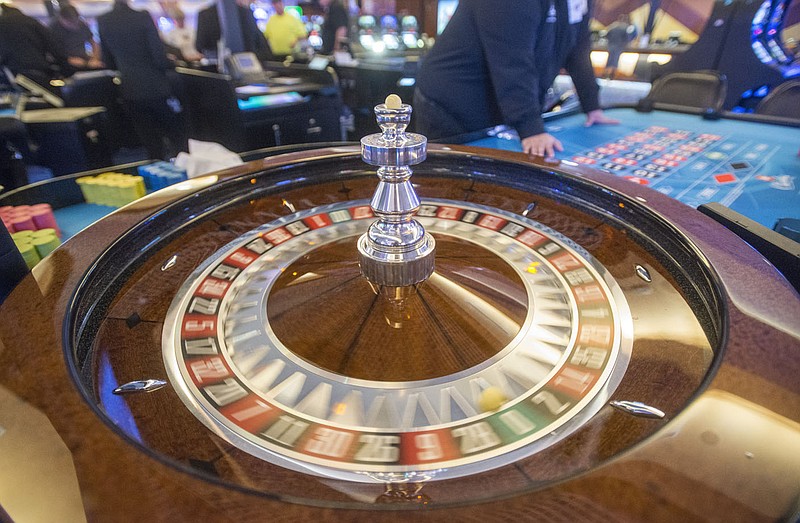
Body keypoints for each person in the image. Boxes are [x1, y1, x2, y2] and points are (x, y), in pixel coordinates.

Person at [414, 0, 618, 158]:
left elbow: (577, 48)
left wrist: (592, 106)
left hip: (495, 104)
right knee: (455, 196)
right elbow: (512, 60)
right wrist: (530, 128)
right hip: (452, 104)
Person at [97, 0, 188, 160]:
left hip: (129, 89)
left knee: (150, 142)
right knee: (177, 136)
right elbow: (158, 57)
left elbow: (108, 61)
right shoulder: (142, 16)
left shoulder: (103, 20)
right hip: (156, 87)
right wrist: (173, 62)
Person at [0, 2, 73, 87]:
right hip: (39, 73)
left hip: (12, 74)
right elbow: (54, 47)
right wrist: (68, 71)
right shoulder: (31, 21)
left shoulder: (2, 23)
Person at [195, 0, 273, 61]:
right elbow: (261, 47)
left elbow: (200, 46)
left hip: (215, 71)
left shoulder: (205, 15)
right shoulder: (246, 12)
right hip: (246, 67)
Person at [49, 4, 103, 70]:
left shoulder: (81, 24)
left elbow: (93, 42)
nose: (74, 26)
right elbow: (53, 51)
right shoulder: (53, 29)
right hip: (64, 61)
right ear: (61, 19)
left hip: (83, 58)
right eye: (70, 23)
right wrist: (69, 59)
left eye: (75, 22)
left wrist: (95, 58)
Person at [604, 14, 636, 79]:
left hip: (611, 45)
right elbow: (628, 38)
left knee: (610, 59)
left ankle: (606, 73)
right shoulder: (626, 28)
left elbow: (607, 35)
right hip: (619, 46)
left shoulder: (613, 26)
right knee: (615, 60)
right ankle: (613, 75)